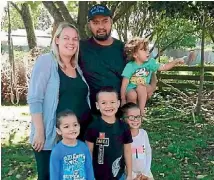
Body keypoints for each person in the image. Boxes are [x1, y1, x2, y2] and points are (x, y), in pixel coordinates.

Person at [27, 22, 91, 180]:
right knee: (49, 175)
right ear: (56, 40)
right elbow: (35, 99)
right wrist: (40, 132)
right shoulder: (46, 61)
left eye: (75, 39)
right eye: (66, 38)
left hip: (77, 136)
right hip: (53, 136)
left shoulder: (77, 67)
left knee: (74, 176)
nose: (71, 42)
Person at [79, 4, 157, 114]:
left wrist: (152, 87)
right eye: (95, 23)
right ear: (89, 25)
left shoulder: (125, 49)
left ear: (111, 22)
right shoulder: (81, 48)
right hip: (92, 116)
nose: (101, 26)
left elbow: (149, 67)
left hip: (122, 113)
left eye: (105, 21)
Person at [121, 37, 184, 115]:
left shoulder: (150, 63)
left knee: (141, 87)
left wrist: (176, 61)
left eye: (147, 49)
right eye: (143, 50)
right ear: (135, 54)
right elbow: (125, 83)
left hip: (143, 88)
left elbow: (164, 67)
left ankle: (141, 112)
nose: (147, 52)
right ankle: (130, 114)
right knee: (132, 95)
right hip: (131, 88)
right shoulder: (130, 66)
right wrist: (123, 99)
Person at [85, 86, 133, 180]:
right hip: (97, 175)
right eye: (103, 103)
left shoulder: (124, 127)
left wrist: (130, 174)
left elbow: (127, 151)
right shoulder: (93, 127)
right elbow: (88, 152)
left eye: (112, 102)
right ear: (97, 105)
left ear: (118, 103)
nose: (108, 106)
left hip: (119, 175)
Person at [50, 109, 94, 180]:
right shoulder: (57, 151)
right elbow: (54, 174)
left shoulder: (83, 147)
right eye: (66, 126)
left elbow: (89, 169)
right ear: (59, 131)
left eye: (75, 125)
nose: (72, 129)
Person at [121, 102, 153, 180]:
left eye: (138, 116)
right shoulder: (122, 136)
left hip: (145, 172)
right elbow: (122, 158)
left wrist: (146, 172)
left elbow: (148, 152)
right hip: (129, 174)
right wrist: (133, 175)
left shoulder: (143, 133)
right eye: (131, 117)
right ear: (124, 119)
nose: (136, 120)